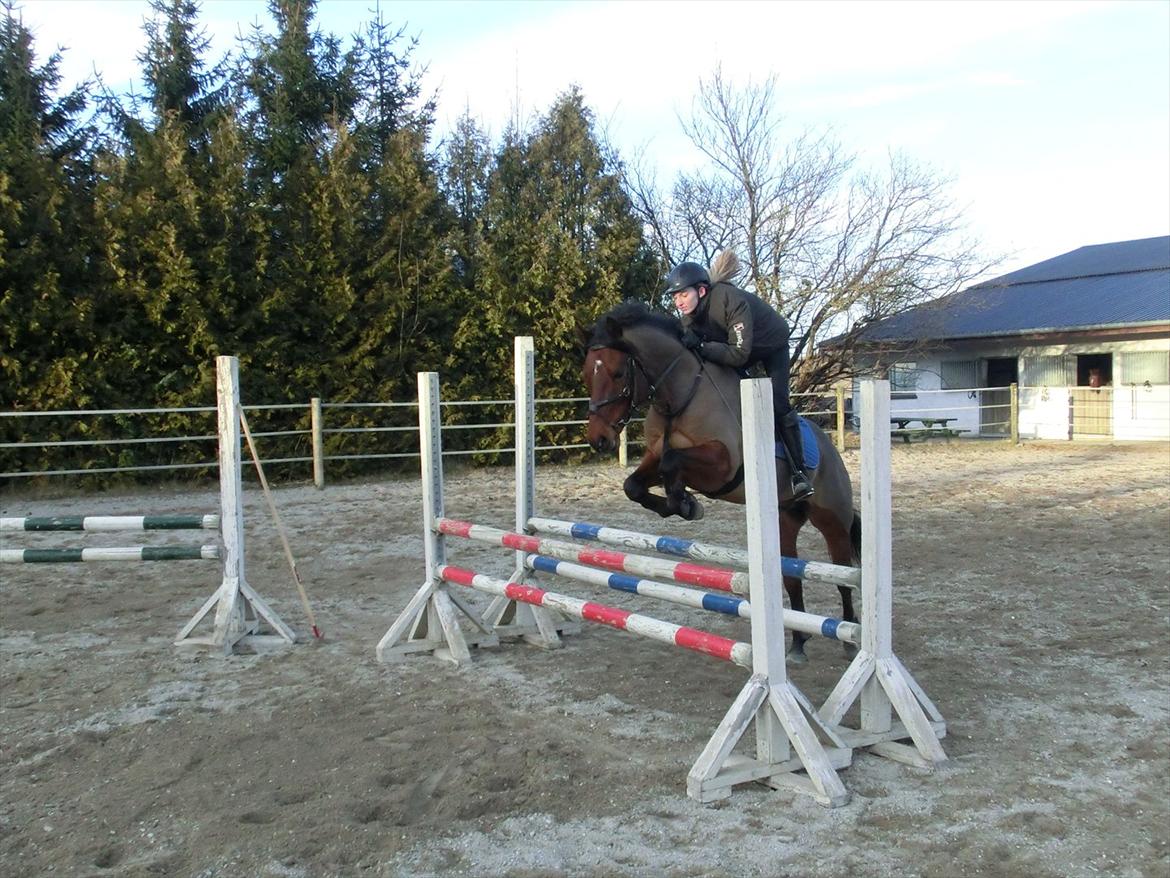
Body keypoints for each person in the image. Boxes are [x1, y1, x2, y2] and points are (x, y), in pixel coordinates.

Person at [663, 259, 814, 501]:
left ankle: (799, 472)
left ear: (701, 291)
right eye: (675, 297)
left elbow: (739, 354)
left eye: (683, 294)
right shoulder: (688, 318)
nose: (679, 302)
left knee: (777, 402)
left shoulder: (729, 299)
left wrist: (701, 346)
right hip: (736, 350)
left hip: (771, 346)